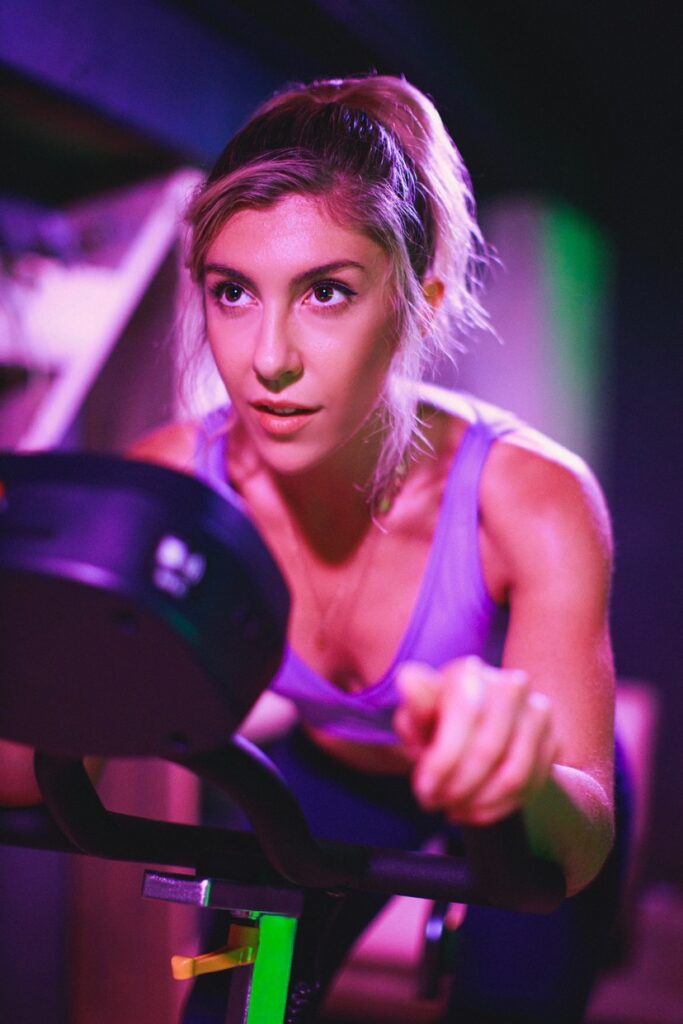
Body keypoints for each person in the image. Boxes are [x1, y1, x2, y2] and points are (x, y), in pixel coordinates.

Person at [5, 74, 630, 1022]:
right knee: (224, 1008)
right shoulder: (175, 482)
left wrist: (518, 780)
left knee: (516, 999)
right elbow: (30, 780)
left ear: (421, 296)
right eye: (232, 293)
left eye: (327, 292)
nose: (268, 358)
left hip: (526, 801)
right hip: (332, 776)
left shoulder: (532, 499)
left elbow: (578, 846)